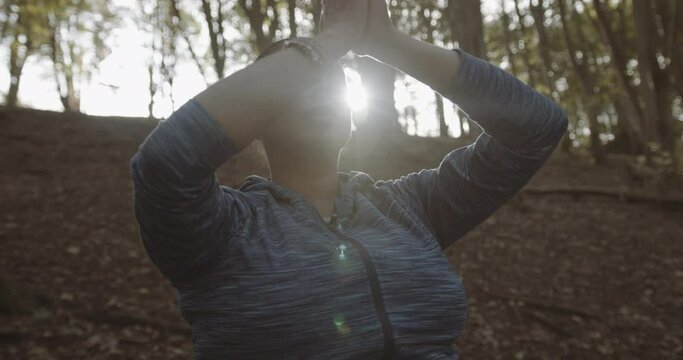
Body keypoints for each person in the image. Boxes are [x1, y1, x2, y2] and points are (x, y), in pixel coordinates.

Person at [129, 0, 568, 358]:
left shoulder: (412, 208)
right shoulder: (218, 231)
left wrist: (386, 42)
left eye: (332, 82)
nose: (321, 88)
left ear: (351, 120)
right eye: (301, 81)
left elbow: (536, 126)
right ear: (254, 120)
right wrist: (333, 39)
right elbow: (166, 162)